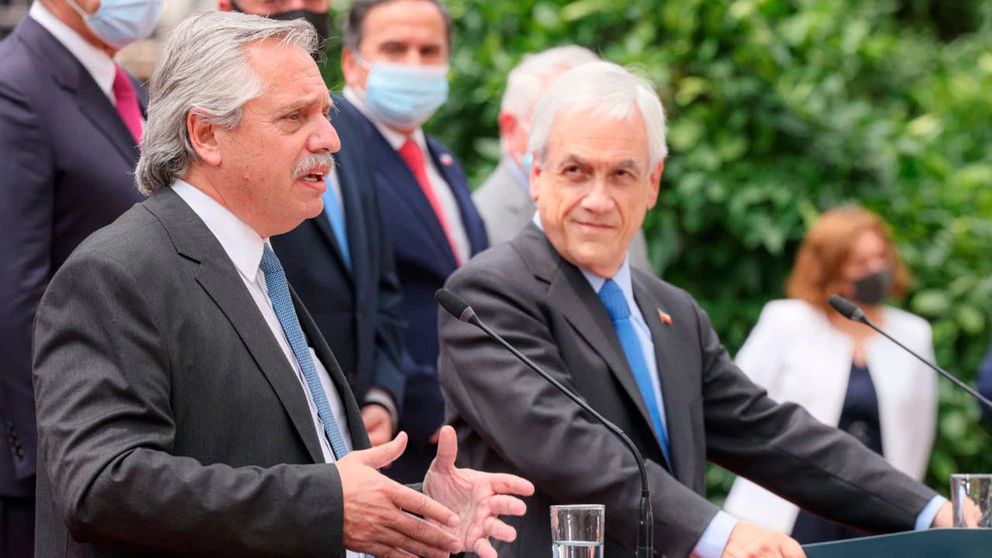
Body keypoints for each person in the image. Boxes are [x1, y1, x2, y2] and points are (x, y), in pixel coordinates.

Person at [32, 12, 532, 558]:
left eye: (326, 113)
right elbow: (103, 485)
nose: (331, 139)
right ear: (206, 134)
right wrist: (332, 506)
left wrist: (418, 510)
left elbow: (294, 470)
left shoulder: (257, 262)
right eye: (295, 117)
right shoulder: (115, 274)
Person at [437, 61, 955, 558]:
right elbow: (569, 448)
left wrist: (931, 512)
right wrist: (718, 533)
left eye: (622, 174)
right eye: (576, 171)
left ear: (652, 184)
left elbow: (769, 433)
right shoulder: (488, 295)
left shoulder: (671, 311)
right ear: (537, 174)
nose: (597, 198)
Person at [0, 0, 159, 554]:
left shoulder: (123, 86)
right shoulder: (16, 87)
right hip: (62, 464)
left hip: (129, 440)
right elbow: (14, 294)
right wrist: (58, 455)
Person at [220, 0, 406, 448]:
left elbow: (379, 282)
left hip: (358, 428)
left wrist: (380, 394)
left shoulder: (347, 127)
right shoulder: (227, 138)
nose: (298, 7)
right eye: (292, 117)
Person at [334, 0, 489, 482]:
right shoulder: (332, 152)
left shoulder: (439, 157)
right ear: (351, 61)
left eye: (429, 51)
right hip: (390, 436)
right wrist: (415, 400)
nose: (414, 66)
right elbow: (337, 298)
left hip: (462, 436)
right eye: (394, 49)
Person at [722, 206, 938, 543]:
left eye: (880, 257)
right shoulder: (786, 322)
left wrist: (910, 507)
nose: (875, 270)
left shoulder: (913, 333)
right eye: (860, 263)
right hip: (791, 506)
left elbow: (918, 433)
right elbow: (740, 409)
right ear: (830, 268)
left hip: (879, 512)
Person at [473, 45, 651, 271]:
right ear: (511, 129)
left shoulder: (619, 200)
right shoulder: (480, 222)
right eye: (552, 119)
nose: (585, 136)